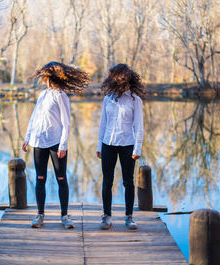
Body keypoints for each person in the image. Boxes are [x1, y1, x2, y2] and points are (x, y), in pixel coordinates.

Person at [22, 61, 90, 229]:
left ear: (50, 76)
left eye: (44, 74)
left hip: (55, 143)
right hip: (38, 141)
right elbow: (34, 117)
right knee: (40, 179)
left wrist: (63, 145)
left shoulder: (61, 96)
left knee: (61, 179)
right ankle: (40, 215)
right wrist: (27, 137)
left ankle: (65, 216)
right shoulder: (43, 95)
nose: (42, 77)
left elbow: (66, 123)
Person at [96, 63, 144, 230]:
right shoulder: (107, 99)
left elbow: (139, 126)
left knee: (128, 182)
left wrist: (137, 149)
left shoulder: (134, 100)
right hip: (108, 144)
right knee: (107, 182)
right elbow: (103, 123)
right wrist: (99, 145)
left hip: (127, 145)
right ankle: (106, 216)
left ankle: (129, 216)